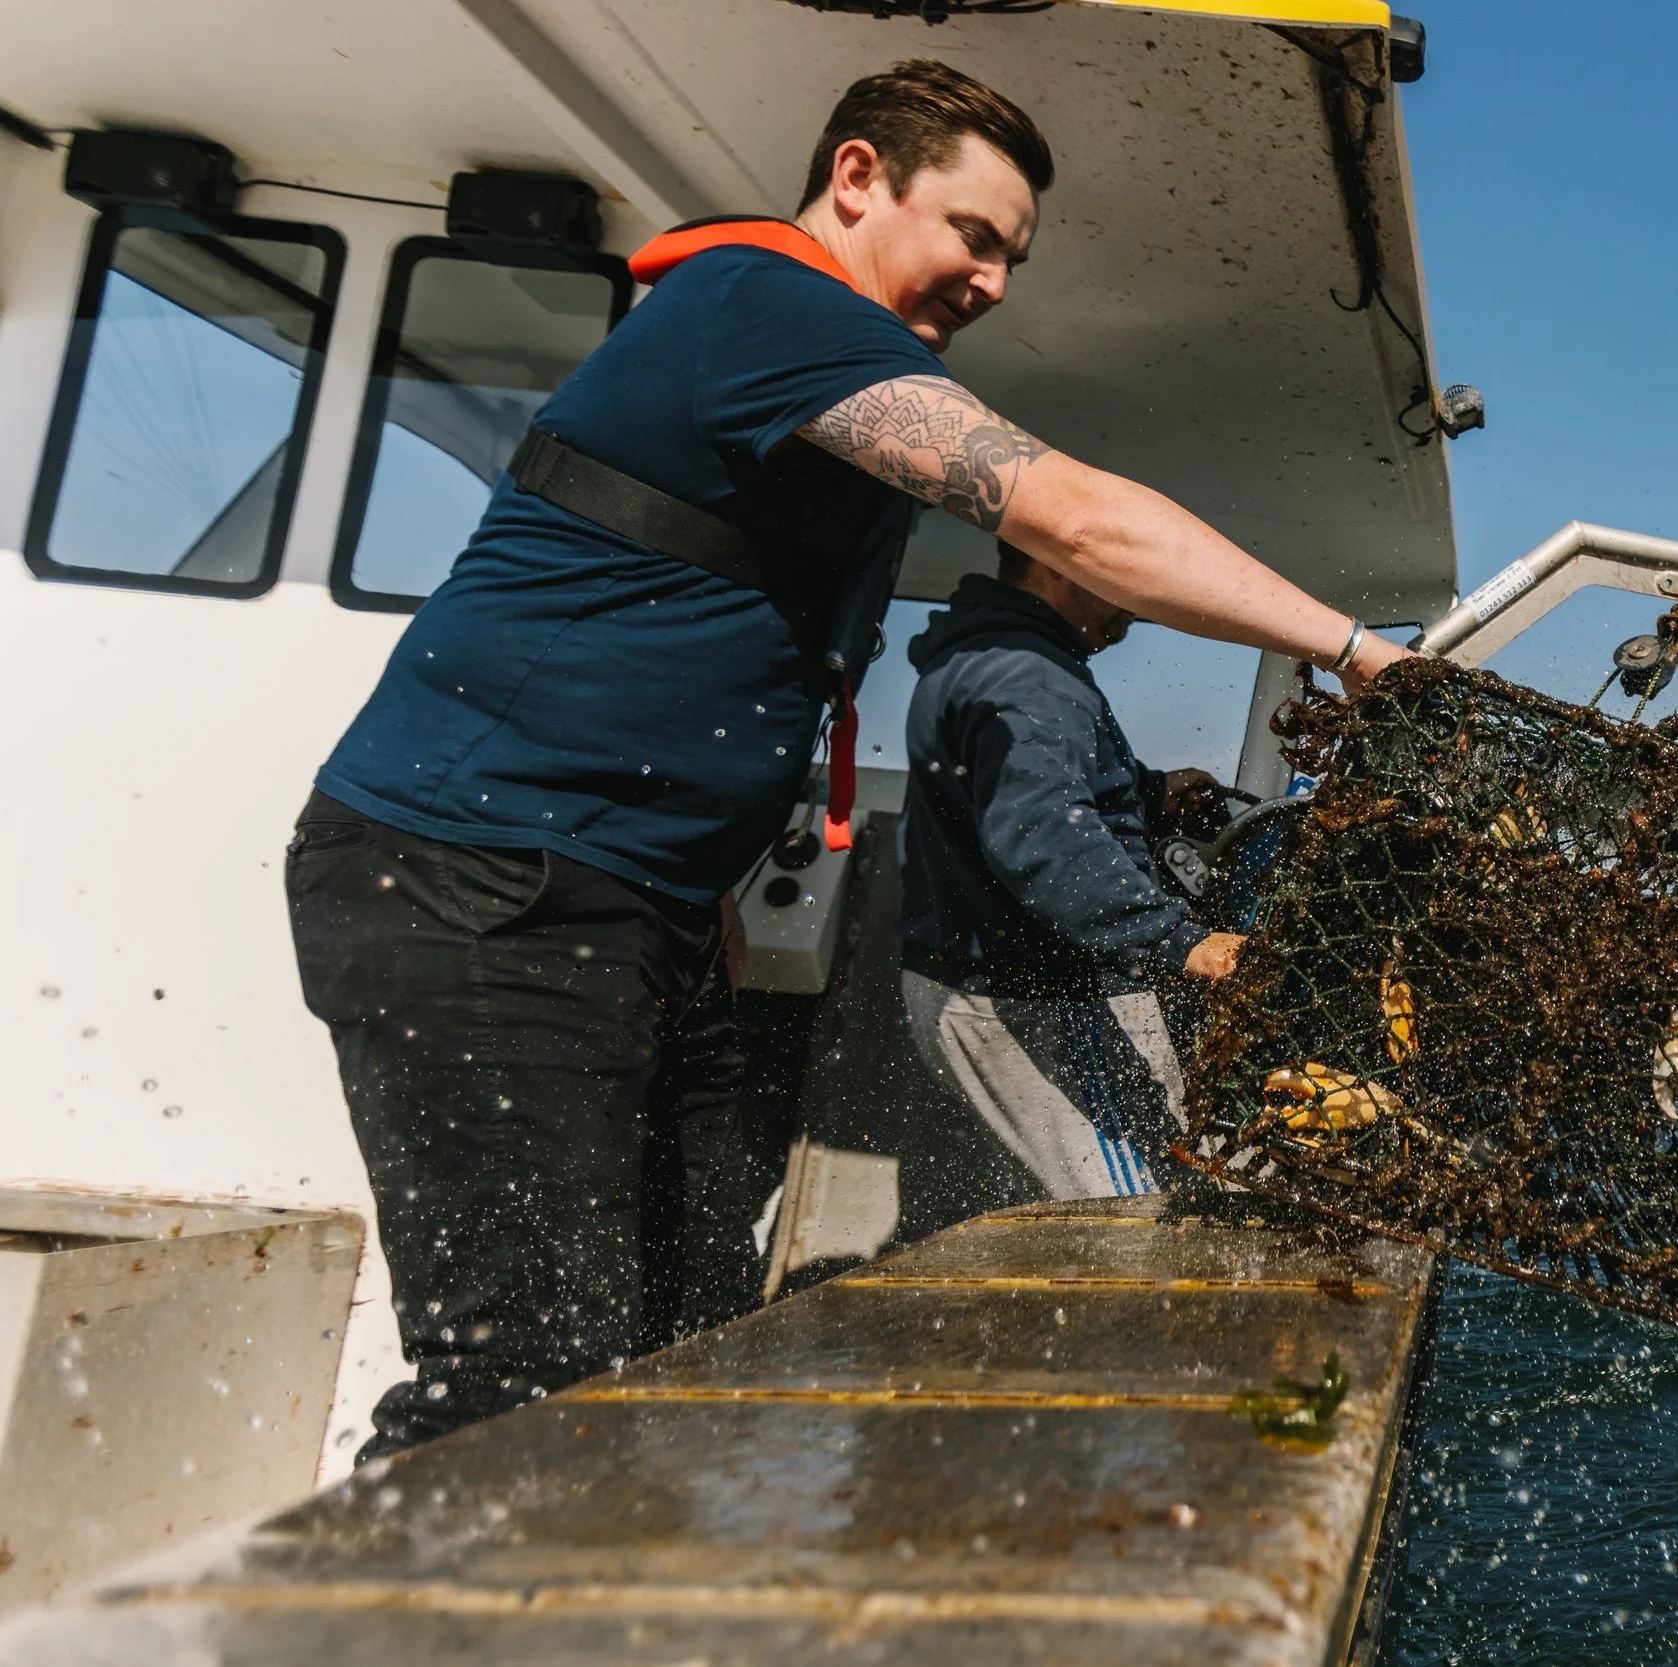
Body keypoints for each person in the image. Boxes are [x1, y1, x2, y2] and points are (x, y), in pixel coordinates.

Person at [285, 59, 1407, 1462]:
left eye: (1013, 257)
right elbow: (1079, 519)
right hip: (471, 880)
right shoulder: (771, 306)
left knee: (684, 1318)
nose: (995, 282)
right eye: (976, 235)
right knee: (519, 1380)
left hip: (628, 911)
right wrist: (1360, 650)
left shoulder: (828, 364)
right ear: (860, 177)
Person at [898, 540, 1240, 1199]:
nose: (1134, 607)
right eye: (1121, 578)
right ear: (1056, 561)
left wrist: (1150, 791)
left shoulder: (1001, 653)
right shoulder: (1026, 676)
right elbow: (1042, 834)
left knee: (1163, 1190)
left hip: (1009, 981)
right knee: (1142, 1209)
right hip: (1038, 994)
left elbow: (1030, 785)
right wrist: (1184, 941)